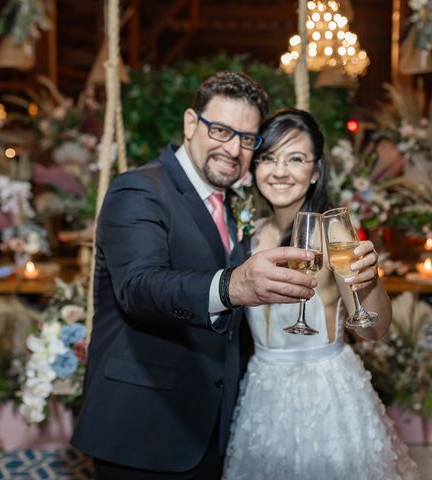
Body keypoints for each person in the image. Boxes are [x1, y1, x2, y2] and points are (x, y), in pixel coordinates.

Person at [71, 73, 318, 479]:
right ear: (191, 124)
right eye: (221, 130)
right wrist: (233, 285)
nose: (233, 148)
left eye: (247, 138)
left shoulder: (234, 206)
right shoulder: (139, 189)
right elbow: (139, 288)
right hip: (145, 431)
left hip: (214, 430)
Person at [223, 108, 420, 479]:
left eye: (295, 159)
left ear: (315, 172)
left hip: (327, 390)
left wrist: (370, 279)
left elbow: (372, 330)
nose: (279, 171)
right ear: (254, 168)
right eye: (268, 158)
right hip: (262, 389)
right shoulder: (245, 237)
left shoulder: (336, 235)